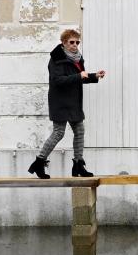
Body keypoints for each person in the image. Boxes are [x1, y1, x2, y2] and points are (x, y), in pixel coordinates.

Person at [27, 28, 105, 179]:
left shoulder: (78, 58)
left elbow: (79, 77)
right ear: (63, 43)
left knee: (79, 131)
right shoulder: (56, 58)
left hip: (74, 101)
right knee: (59, 133)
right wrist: (78, 76)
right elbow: (57, 80)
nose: (75, 45)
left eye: (77, 42)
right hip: (60, 101)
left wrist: (94, 76)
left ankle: (78, 165)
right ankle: (39, 163)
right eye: (71, 42)